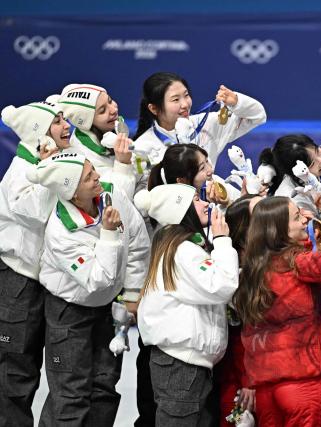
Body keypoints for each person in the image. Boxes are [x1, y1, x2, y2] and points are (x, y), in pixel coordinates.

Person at [28, 153, 149, 426]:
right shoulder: (61, 232)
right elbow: (99, 278)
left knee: (105, 388)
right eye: (88, 176)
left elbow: (139, 243)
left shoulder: (111, 194)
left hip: (107, 308)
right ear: (71, 192)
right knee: (71, 395)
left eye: (93, 169)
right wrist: (108, 233)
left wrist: (131, 293)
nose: (97, 176)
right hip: (69, 314)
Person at [233, 187, 321, 426]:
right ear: (279, 231)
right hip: (305, 384)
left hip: (268, 388)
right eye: (297, 217)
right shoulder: (296, 262)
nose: (305, 219)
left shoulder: (256, 267)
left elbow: (305, 298)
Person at [134, 184, 239, 426]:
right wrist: (223, 240)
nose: (205, 204)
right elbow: (220, 285)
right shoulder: (183, 251)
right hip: (180, 365)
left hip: (187, 363)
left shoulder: (181, 246)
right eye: (196, 200)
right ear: (179, 210)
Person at [0, 100, 70, 426]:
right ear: (39, 134)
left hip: (46, 283)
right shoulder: (19, 175)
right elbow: (41, 211)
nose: (66, 126)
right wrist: (49, 171)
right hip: (18, 282)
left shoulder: (54, 165)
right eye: (57, 122)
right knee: (15, 374)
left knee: (47, 373)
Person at [132, 71, 267, 169]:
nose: (185, 104)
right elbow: (144, 191)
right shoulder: (142, 147)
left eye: (186, 95)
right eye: (175, 100)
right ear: (154, 109)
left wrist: (236, 102)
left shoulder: (206, 124)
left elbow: (257, 116)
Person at [217, 194, 263, 425]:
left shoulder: (268, 263)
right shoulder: (235, 275)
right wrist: (249, 381)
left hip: (268, 373)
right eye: (261, 213)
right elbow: (242, 339)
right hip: (240, 377)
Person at [54, 83, 137, 200]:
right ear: (88, 123)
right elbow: (114, 201)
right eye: (102, 111)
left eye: (110, 100)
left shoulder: (115, 128)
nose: (113, 110)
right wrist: (123, 164)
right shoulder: (82, 159)